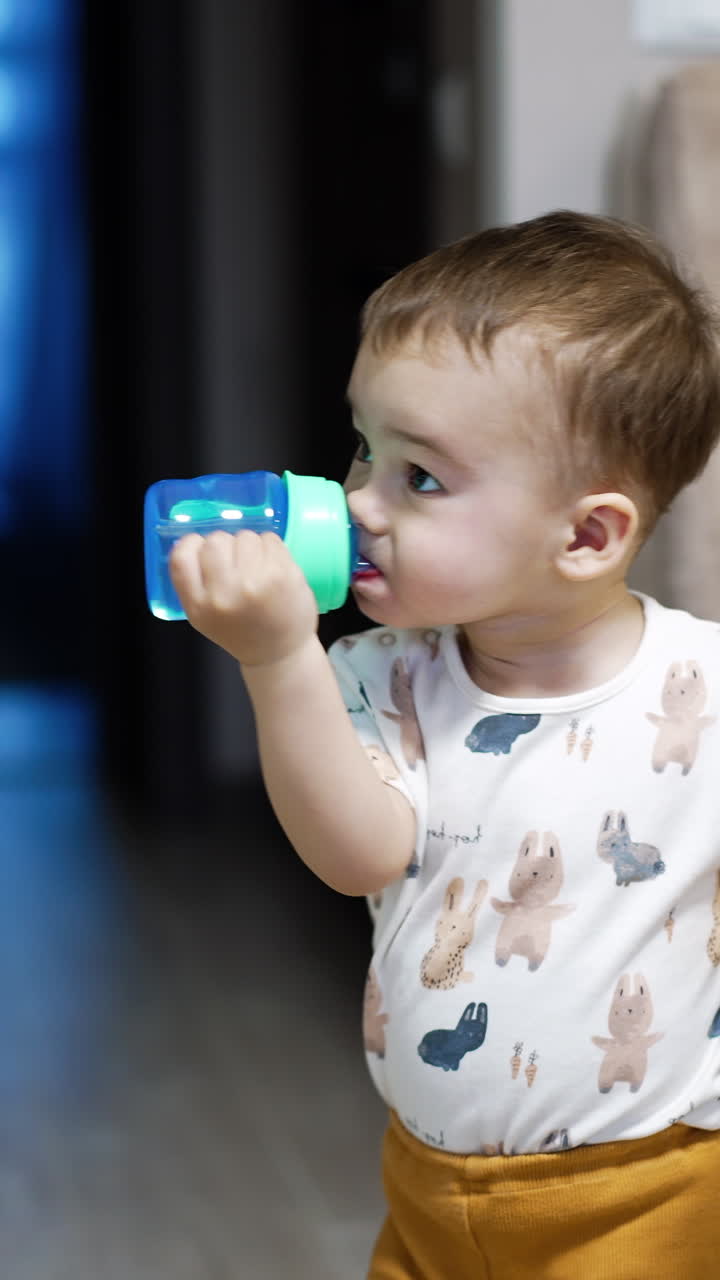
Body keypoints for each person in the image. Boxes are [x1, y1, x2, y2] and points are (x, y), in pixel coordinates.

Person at [169, 210, 720, 1278]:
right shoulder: (380, 675)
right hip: (426, 1183)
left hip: (646, 1191)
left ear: (586, 535)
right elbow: (358, 852)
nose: (358, 502)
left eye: (419, 478)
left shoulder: (699, 686)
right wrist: (278, 660)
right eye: (364, 448)